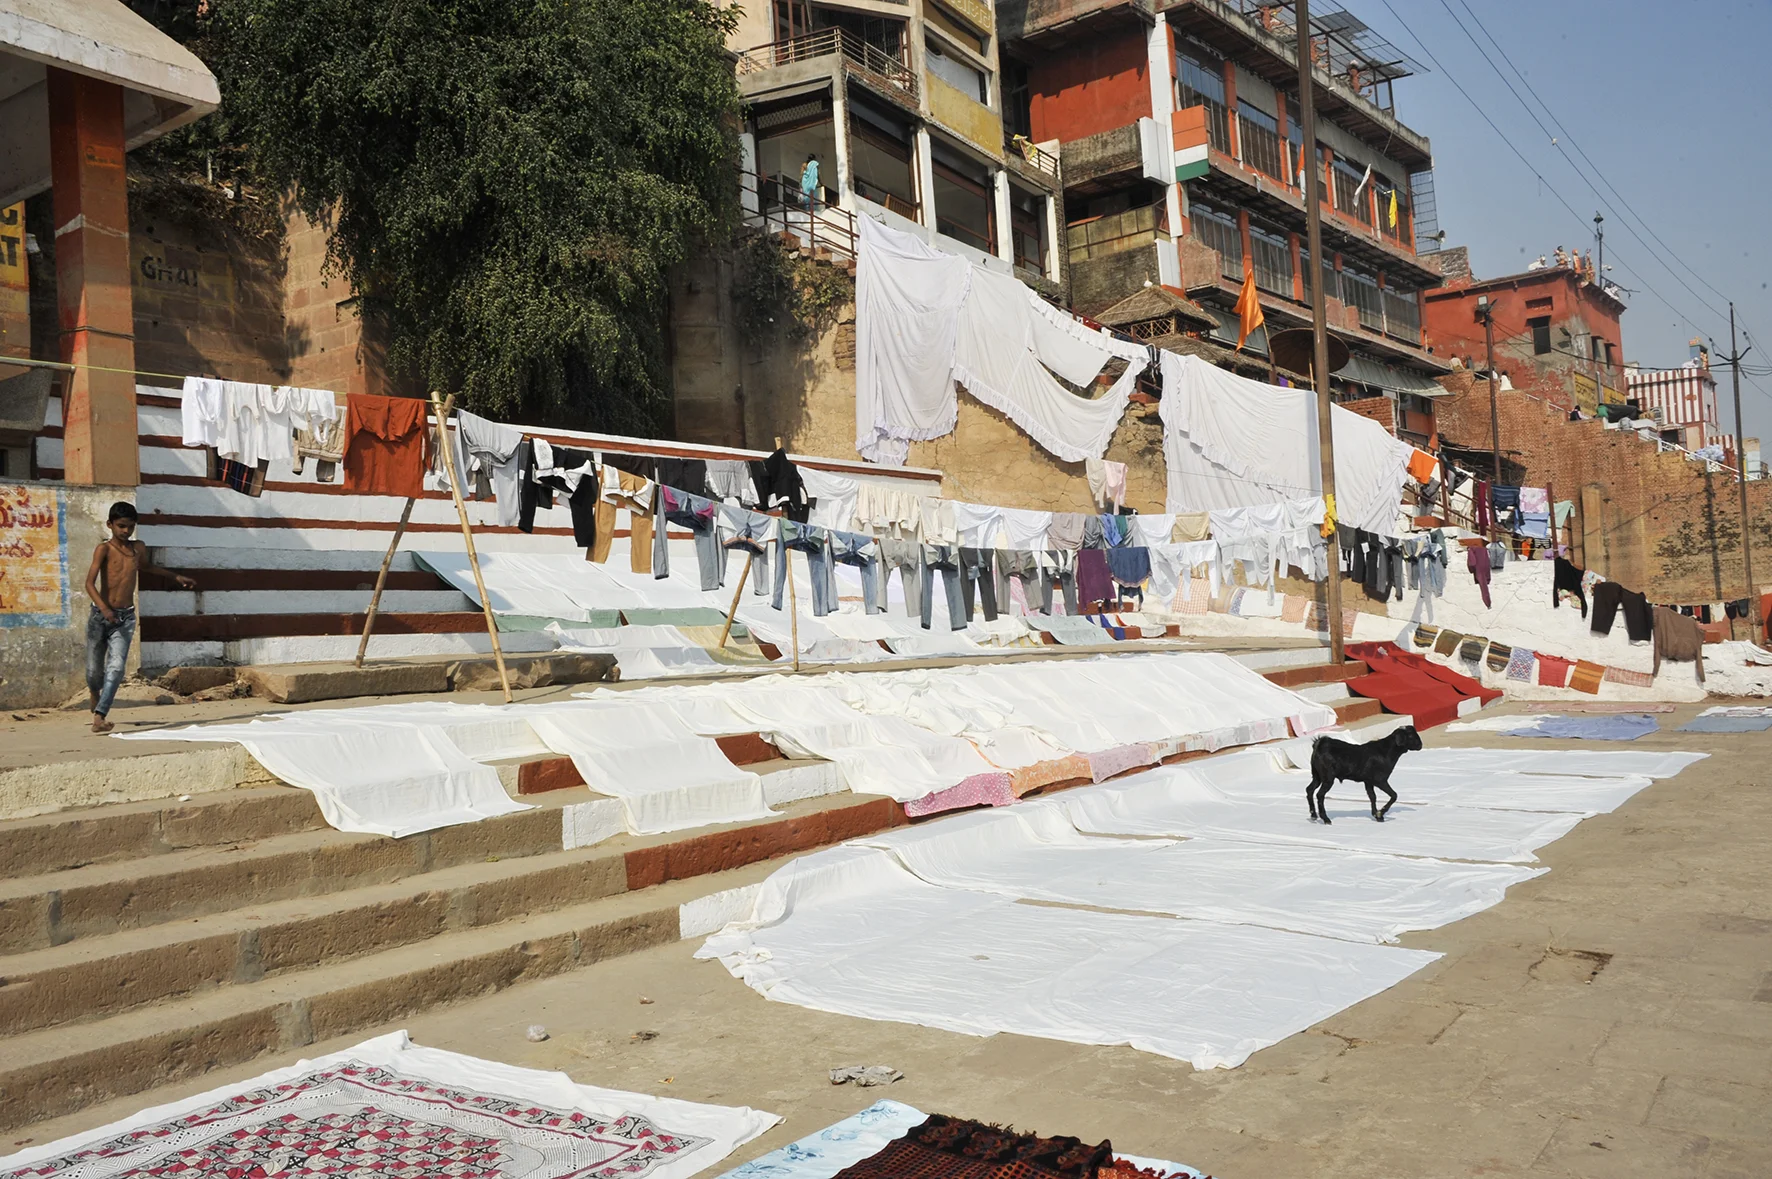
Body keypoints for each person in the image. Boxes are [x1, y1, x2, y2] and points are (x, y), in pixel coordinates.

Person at [83, 502, 194, 733]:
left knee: (116, 668)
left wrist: (175, 577)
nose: (125, 531)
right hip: (100, 617)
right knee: (94, 673)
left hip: (125, 618)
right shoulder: (103, 549)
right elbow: (89, 583)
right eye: (121, 526)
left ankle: (100, 716)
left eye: (130, 527)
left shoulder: (138, 548)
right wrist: (104, 609)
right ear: (110, 525)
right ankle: (95, 692)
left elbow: (147, 567)